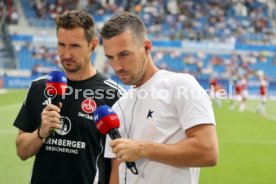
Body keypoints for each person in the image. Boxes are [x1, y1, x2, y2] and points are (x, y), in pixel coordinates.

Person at [100, 12, 218, 184]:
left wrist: (142, 149)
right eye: (110, 57)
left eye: (124, 54)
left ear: (147, 47)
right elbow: (117, 173)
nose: (117, 66)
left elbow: (208, 151)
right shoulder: (119, 107)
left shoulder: (181, 86)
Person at [14, 10, 124, 184]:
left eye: (74, 46)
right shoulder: (38, 87)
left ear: (93, 45)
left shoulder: (114, 95)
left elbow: (119, 163)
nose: (66, 54)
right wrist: (41, 133)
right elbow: (21, 151)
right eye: (61, 45)